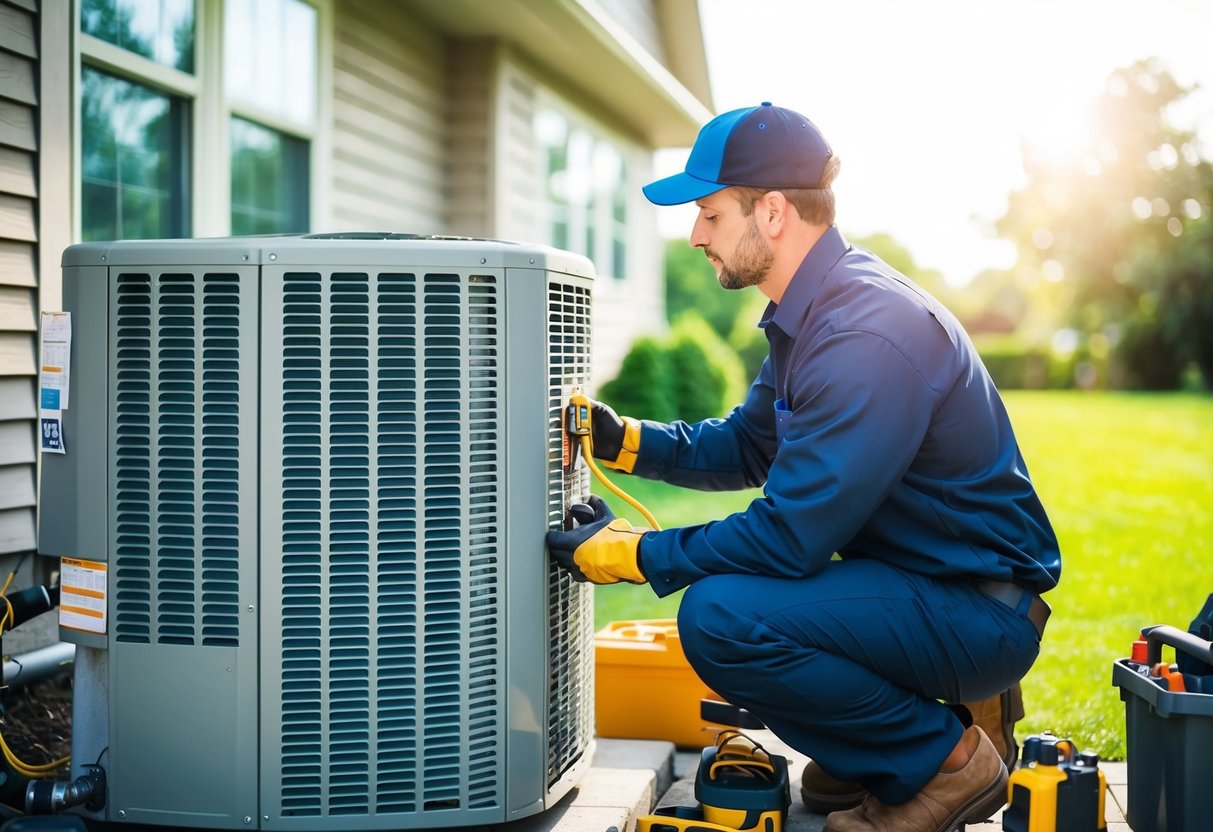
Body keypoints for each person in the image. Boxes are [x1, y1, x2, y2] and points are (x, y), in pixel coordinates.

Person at [545, 102, 1060, 832]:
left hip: (978, 610)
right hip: (917, 582)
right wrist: (625, 440)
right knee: (739, 604)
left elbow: (787, 537)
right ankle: (876, 756)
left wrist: (636, 555)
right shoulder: (809, 315)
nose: (695, 235)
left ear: (775, 212)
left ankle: (947, 762)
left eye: (710, 215)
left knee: (722, 616)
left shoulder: (865, 333)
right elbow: (749, 446)